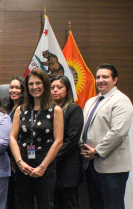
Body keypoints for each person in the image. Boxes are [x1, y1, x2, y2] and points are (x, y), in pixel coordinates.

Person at [80, 64, 133, 209]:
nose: (100, 80)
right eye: (98, 77)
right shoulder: (91, 101)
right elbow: (84, 129)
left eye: (105, 77)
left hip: (112, 168)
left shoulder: (121, 100)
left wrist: (96, 152)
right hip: (91, 166)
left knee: (112, 206)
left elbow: (117, 132)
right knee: (96, 204)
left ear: (115, 80)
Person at [9, 68, 64, 209]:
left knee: (45, 204)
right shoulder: (20, 110)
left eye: (38, 83)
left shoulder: (55, 110)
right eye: (31, 84)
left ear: (45, 85)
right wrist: (20, 163)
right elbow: (12, 138)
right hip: (23, 164)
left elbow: (58, 141)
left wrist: (42, 167)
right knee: (24, 203)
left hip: (45, 162)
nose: (34, 87)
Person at [50, 75, 83, 209]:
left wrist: (50, 158)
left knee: (69, 204)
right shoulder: (48, 110)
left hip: (67, 169)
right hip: (51, 170)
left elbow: (71, 141)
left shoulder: (73, 109)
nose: (55, 90)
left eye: (59, 87)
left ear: (67, 89)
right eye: (52, 87)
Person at [3, 76, 25, 209]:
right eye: (11, 87)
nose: (13, 90)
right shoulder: (6, 107)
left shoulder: (25, 108)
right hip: (5, 157)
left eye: (17, 88)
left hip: (18, 157)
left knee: (19, 196)